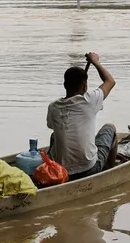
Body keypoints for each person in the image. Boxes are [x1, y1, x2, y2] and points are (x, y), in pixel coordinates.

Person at [47, 52, 117, 180]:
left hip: (62, 172)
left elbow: (51, 126)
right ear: (84, 86)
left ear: (64, 85)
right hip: (89, 169)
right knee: (110, 128)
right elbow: (110, 81)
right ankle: (108, 172)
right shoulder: (89, 100)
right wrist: (95, 61)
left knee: (54, 136)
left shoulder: (53, 107)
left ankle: (56, 168)